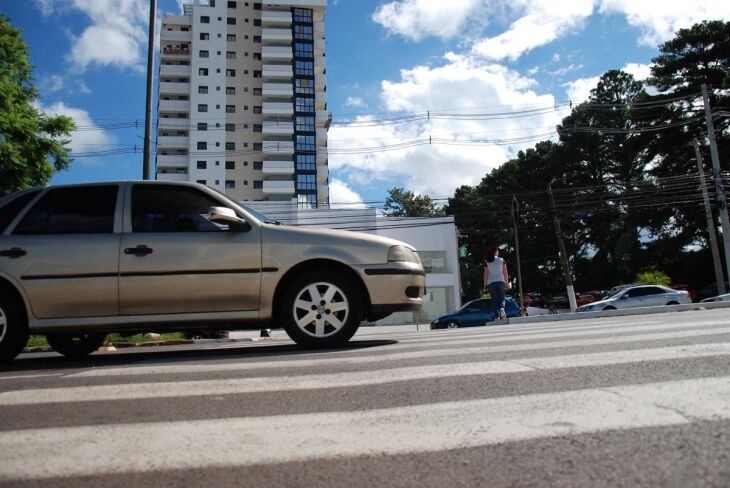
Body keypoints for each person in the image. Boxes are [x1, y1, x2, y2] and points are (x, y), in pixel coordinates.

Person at [483, 247, 510, 320]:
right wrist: (507, 283)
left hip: (491, 282)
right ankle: (502, 309)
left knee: (494, 299)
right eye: (497, 251)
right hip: (500, 281)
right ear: (495, 252)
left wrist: (484, 286)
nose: (498, 252)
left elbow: (486, 274)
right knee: (502, 298)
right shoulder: (501, 260)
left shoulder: (487, 261)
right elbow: (505, 273)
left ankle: (496, 316)